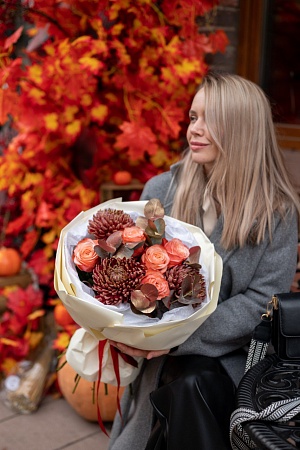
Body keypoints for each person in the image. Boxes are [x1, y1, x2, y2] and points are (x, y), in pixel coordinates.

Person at [108, 72, 300, 450]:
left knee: (189, 385)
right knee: (174, 387)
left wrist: (178, 337)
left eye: (209, 119)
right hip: (158, 354)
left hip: (235, 356)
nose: (194, 129)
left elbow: (262, 302)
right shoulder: (161, 192)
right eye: (193, 117)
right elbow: (133, 272)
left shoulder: (277, 212)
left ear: (241, 128)